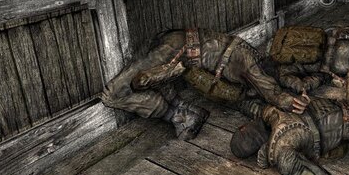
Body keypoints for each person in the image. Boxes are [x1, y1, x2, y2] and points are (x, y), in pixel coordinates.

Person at [101, 28, 310, 140]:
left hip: (174, 48)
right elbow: (271, 91)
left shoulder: (245, 63)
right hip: (173, 49)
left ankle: (184, 114)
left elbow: (266, 90)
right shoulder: (248, 62)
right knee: (112, 95)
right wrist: (292, 101)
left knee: (151, 81)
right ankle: (179, 114)